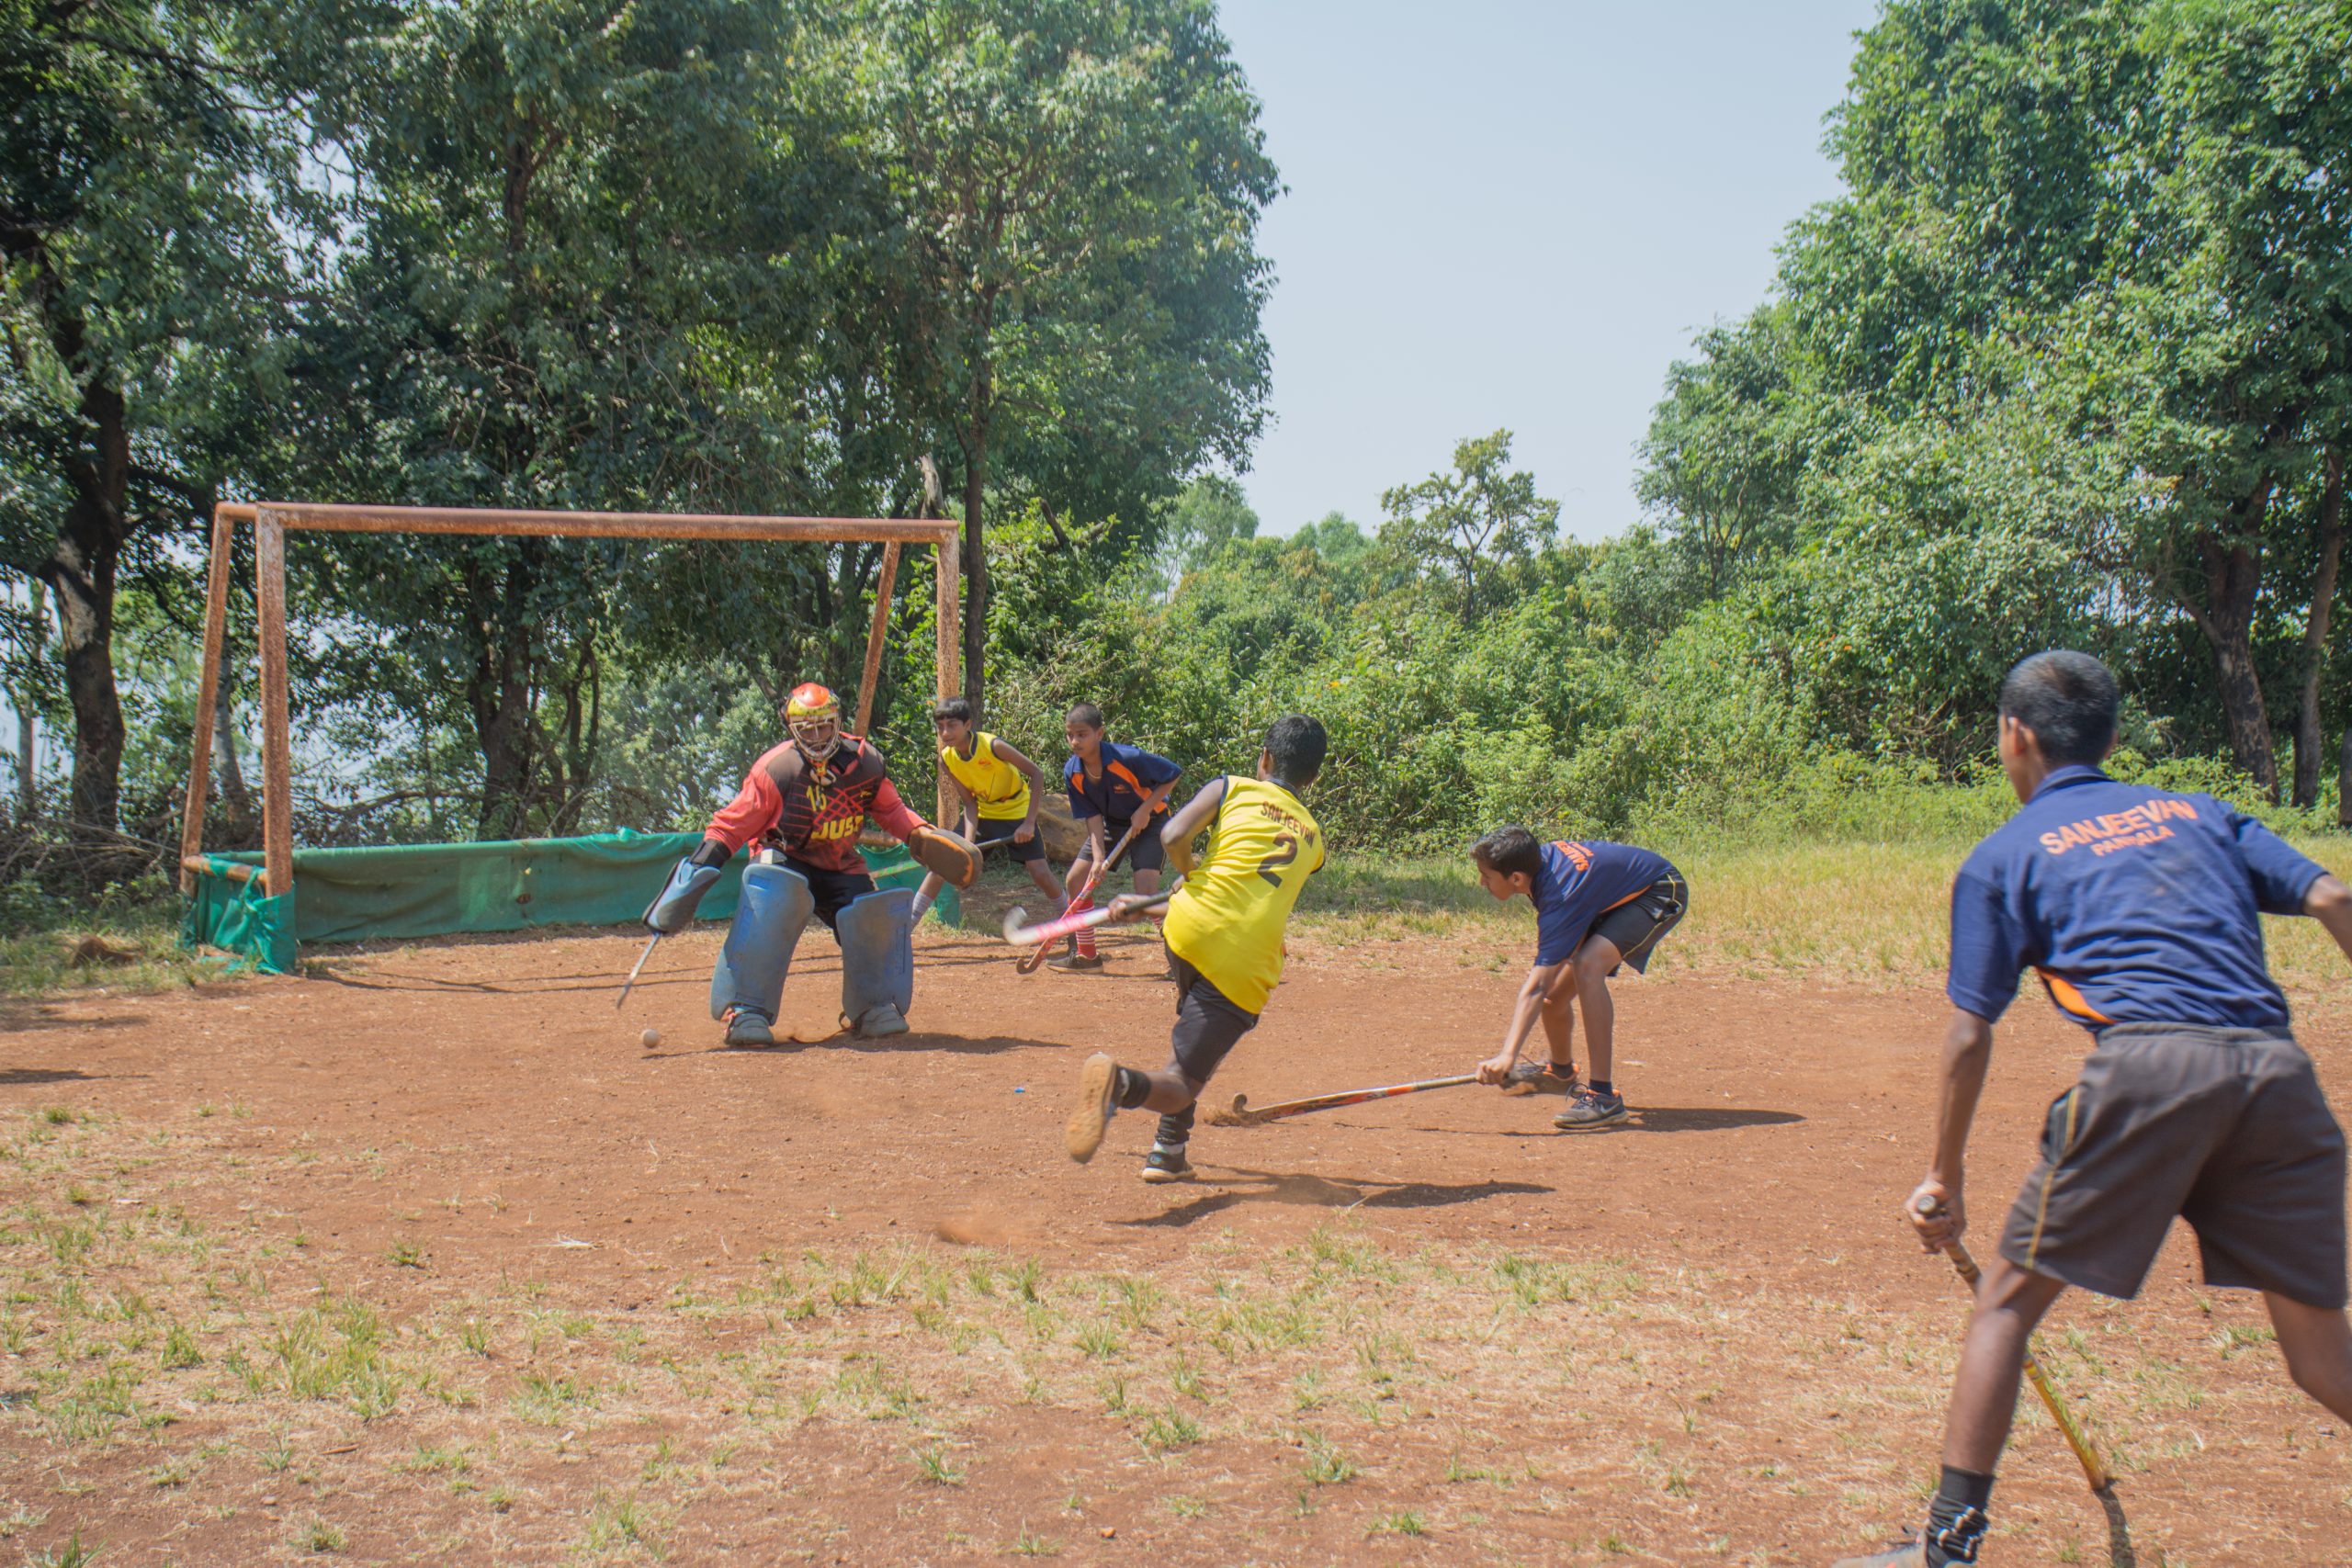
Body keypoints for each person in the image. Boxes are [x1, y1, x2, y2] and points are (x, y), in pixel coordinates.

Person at [1835, 651, 2352, 1568]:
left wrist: (1944, 1175)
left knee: (2004, 1309)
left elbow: (1969, 1034)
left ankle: (1946, 1550)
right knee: (2321, 1359)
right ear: (2111, 740)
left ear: (2015, 737)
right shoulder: (2200, 812)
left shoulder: (2004, 857)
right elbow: (2332, 896)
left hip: (2149, 1071)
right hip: (2276, 1076)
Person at [1064, 714, 1328, 1183]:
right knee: (1182, 1083)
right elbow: (1244, 899)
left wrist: (1176, 883)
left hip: (1186, 931)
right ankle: (1120, 1085)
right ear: (1314, 777)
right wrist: (1188, 882)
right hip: (1242, 960)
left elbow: (1174, 837)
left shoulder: (1232, 788)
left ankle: (1169, 1150)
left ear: (1264, 759)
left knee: (1193, 1034)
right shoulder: (1314, 839)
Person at [639, 682, 976, 1046]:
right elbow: (731, 825)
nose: (817, 737)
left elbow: (891, 809)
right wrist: (697, 870)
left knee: (871, 914)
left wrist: (921, 835)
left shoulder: (865, 763)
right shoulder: (776, 770)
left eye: (824, 726)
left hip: (839, 862)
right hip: (785, 859)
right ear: (791, 728)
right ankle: (746, 1009)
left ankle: (875, 1005)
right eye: (807, 729)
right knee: (771, 896)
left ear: (837, 722)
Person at [1468, 827, 1687, 1129]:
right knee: (1553, 999)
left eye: (1486, 875)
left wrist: (1508, 1054)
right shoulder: (1538, 867)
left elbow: (1536, 985)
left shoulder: (1560, 894)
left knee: (1587, 966)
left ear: (1516, 878)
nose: (1481, 882)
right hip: (1604, 898)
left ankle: (1603, 1097)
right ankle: (1560, 1073)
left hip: (1658, 890)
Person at [909, 697, 1067, 924]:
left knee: (1040, 871)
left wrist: (1029, 823)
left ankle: (1070, 919)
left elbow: (1037, 774)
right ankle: (908, 926)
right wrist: (967, 845)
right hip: (984, 814)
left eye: (951, 725)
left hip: (1017, 812)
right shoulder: (947, 759)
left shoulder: (992, 745)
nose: (945, 733)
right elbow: (970, 804)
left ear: (967, 724)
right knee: (941, 865)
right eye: (940, 727)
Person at [1055, 703, 1182, 972]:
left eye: (1082, 734)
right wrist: (1098, 858)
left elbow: (1172, 774)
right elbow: (1092, 817)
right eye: (1070, 735)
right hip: (1112, 824)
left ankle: (1183, 961)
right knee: (1076, 880)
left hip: (1152, 821)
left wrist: (1145, 810)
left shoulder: (1127, 758)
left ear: (1099, 734)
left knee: (1146, 893)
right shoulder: (1072, 771)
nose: (1075, 741)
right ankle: (1088, 957)